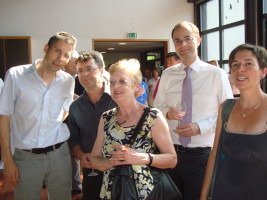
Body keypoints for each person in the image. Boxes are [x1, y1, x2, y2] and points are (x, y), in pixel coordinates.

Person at [154, 21, 233, 200]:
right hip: (170, 153)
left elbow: (228, 114)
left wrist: (200, 127)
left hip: (202, 155)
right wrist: (167, 113)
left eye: (187, 39)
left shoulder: (216, 74)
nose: (182, 45)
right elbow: (156, 108)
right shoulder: (167, 74)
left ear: (197, 40)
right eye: (177, 41)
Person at [0, 31, 77, 200]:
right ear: (46, 48)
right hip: (26, 156)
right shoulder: (16, 75)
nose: (60, 58)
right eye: (57, 51)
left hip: (59, 154)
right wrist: (7, 160)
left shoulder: (67, 81)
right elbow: (4, 117)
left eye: (66, 55)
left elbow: (66, 110)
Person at [90, 59, 177, 200]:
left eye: (122, 82)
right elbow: (94, 159)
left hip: (146, 194)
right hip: (113, 191)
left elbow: (172, 160)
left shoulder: (152, 117)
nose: (116, 86)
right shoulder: (106, 118)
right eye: (112, 82)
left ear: (137, 86)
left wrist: (140, 158)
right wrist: (108, 163)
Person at [200, 44, 267, 200]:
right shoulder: (226, 108)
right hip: (224, 190)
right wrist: (203, 195)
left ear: (263, 72)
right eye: (235, 65)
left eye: (248, 64)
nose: (240, 69)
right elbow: (214, 154)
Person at [67, 51, 117, 200]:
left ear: (101, 71)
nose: (84, 74)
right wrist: (81, 156)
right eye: (80, 70)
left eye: (90, 69)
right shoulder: (75, 107)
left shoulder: (117, 99)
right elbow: (73, 139)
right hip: (91, 170)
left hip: (119, 168)